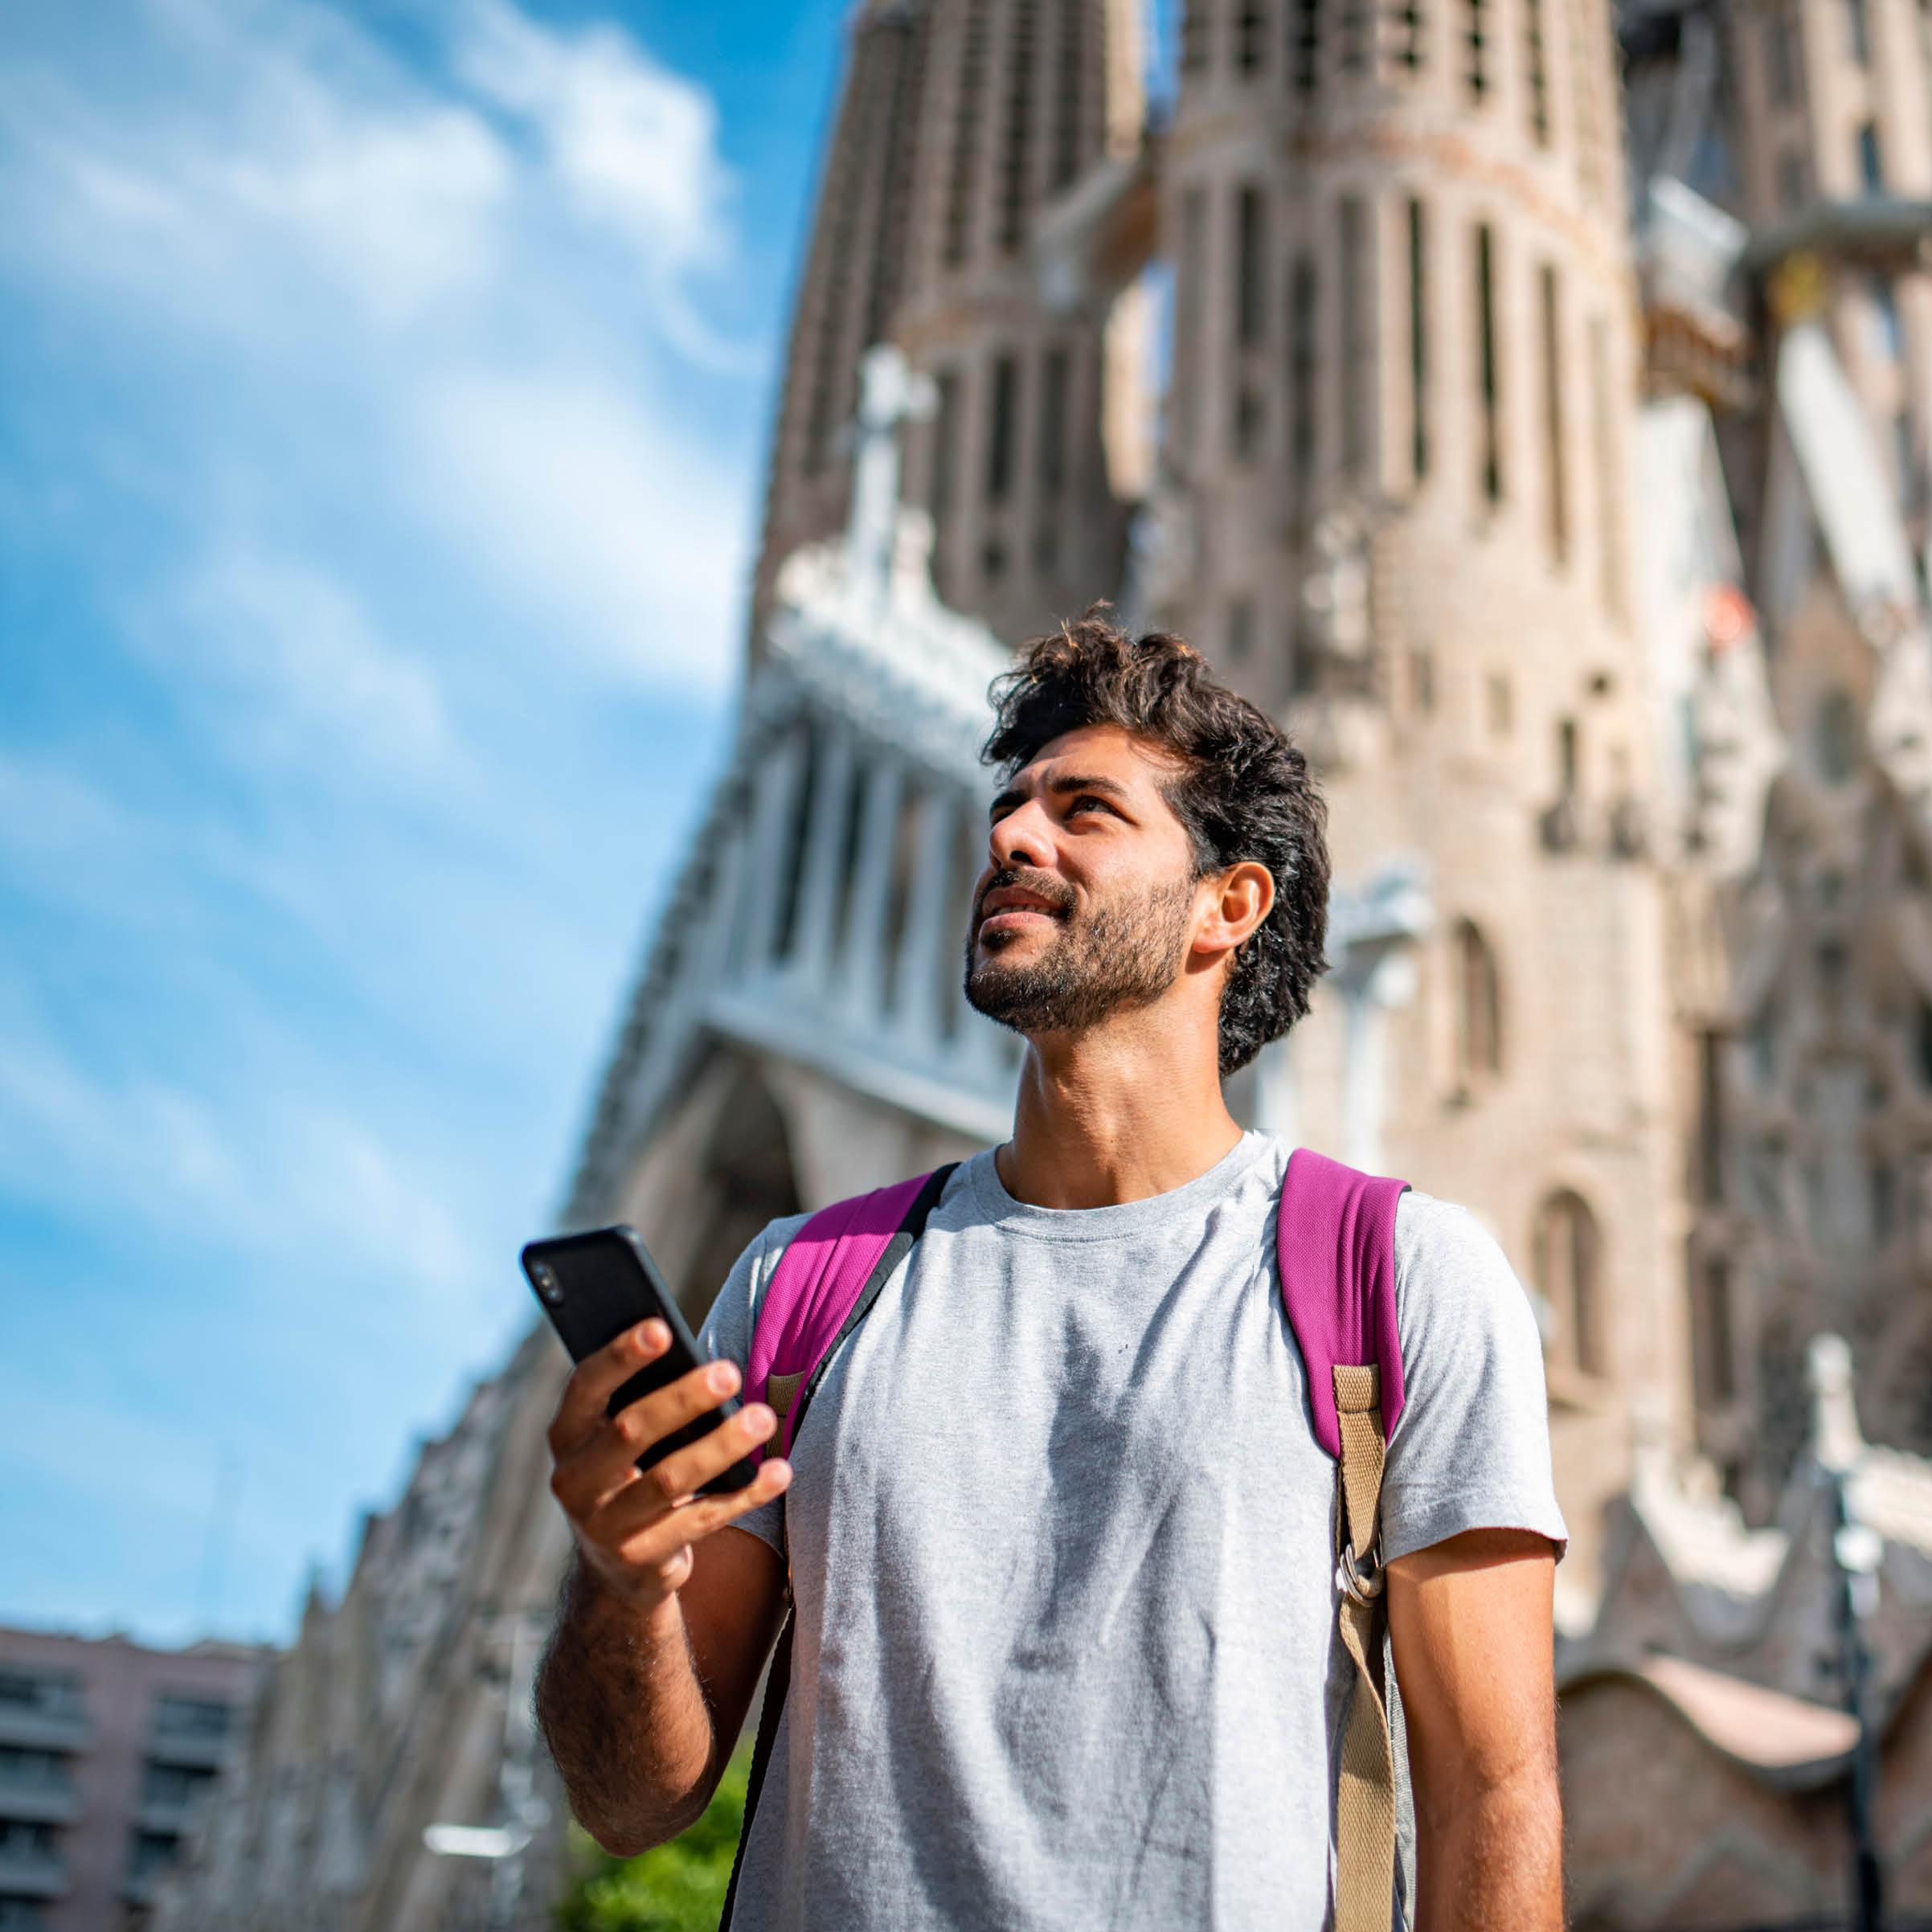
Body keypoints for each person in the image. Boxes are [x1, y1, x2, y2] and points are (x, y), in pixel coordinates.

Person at [534, 612, 1567, 1930]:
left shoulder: (1396, 1277)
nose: (1014, 838)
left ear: (1227, 905)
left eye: (1086, 811)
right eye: (1011, 808)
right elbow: (633, 1802)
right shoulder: (808, 1283)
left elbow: (1496, 1796)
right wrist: (619, 1578)